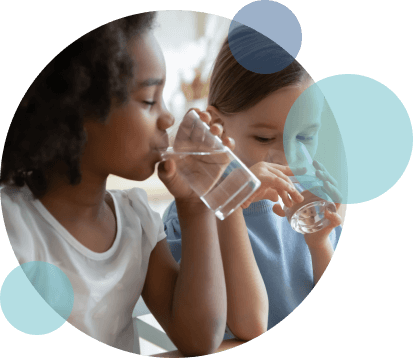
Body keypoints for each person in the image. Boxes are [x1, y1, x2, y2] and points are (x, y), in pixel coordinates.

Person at [0, 12, 254, 356]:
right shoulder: (16, 226)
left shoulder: (137, 220)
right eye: (150, 100)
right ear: (76, 112)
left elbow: (200, 339)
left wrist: (195, 207)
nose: (168, 117)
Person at [163, 24, 346, 340]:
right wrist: (230, 194)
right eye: (265, 137)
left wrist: (319, 245)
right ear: (217, 127)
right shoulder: (191, 215)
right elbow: (250, 326)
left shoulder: (312, 202)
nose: (290, 158)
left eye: (305, 136)